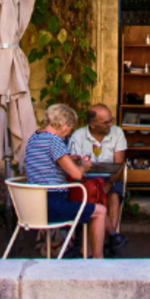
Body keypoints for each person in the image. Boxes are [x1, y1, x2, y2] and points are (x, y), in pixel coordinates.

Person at [23, 103, 108, 259]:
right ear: (63, 125)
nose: (68, 133)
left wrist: (69, 158)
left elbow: (47, 161)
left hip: (31, 208)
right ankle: (98, 260)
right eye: (70, 128)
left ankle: (84, 250)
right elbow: (76, 174)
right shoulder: (55, 141)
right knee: (99, 211)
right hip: (51, 207)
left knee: (84, 204)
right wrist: (84, 165)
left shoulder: (34, 138)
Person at [68, 103, 128, 254]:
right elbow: (73, 166)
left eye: (111, 120)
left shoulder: (117, 133)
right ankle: (114, 237)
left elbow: (119, 163)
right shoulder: (78, 136)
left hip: (110, 177)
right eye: (106, 122)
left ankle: (109, 239)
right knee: (92, 194)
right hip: (85, 178)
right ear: (92, 125)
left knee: (114, 195)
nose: (111, 124)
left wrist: (109, 183)